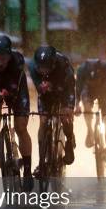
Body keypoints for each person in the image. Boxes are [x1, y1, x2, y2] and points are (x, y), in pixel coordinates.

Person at [0, 35, 33, 187]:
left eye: (3, 58)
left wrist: (6, 93)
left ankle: (27, 169)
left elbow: (15, 87)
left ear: (9, 56)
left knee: (20, 128)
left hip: (17, 90)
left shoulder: (17, 60)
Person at [29, 45, 76, 173]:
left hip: (64, 89)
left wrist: (69, 107)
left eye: (46, 68)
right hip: (46, 94)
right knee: (43, 121)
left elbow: (70, 87)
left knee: (65, 116)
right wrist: (42, 87)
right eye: (41, 68)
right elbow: (39, 88)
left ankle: (69, 141)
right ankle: (42, 161)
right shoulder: (33, 67)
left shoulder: (63, 65)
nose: (43, 71)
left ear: (53, 64)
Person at [75, 58, 106, 171]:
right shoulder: (82, 71)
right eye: (91, 80)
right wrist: (77, 105)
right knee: (86, 105)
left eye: (95, 79)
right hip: (88, 91)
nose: (94, 82)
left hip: (104, 90)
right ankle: (90, 130)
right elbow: (77, 90)